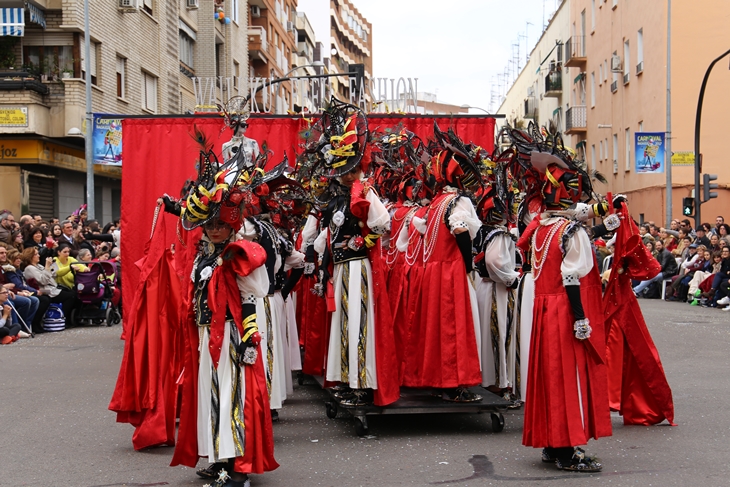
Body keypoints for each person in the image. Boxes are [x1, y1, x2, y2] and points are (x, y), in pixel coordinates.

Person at [509, 127, 611, 472]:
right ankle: (566, 450)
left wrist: (602, 224)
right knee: (568, 377)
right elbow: (572, 275)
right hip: (565, 309)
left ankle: (553, 444)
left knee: (550, 375)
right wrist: (581, 317)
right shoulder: (571, 231)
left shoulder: (543, 228)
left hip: (544, 307)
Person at [603, 199, 675, 426]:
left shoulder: (628, 242)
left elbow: (651, 269)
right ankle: (610, 400)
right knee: (623, 352)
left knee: (628, 353)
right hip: (615, 302)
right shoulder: (622, 240)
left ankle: (618, 400)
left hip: (621, 304)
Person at [22, 247, 80, 329]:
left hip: (52, 288)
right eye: (36, 254)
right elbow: (43, 281)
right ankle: (62, 318)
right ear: (30, 256)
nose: (38, 255)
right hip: (44, 290)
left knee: (73, 294)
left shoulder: (38, 266)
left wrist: (52, 266)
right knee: (70, 296)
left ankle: (66, 318)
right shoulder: (29, 268)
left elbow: (54, 274)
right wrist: (47, 266)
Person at [5, 249, 49, 335]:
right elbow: (18, 285)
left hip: (20, 291)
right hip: (11, 292)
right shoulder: (11, 272)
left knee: (40, 299)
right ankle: (20, 326)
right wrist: (35, 291)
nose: (18, 260)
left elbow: (23, 285)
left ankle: (27, 325)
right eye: (16, 258)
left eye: (19, 258)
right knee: (30, 301)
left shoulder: (18, 270)